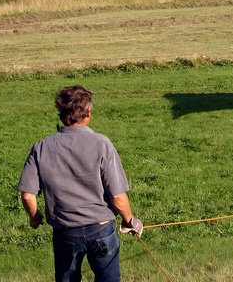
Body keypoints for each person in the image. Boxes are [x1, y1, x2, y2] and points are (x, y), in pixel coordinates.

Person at [18, 85, 143, 282]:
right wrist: (130, 221)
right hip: (101, 229)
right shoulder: (102, 143)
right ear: (88, 112)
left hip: (65, 233)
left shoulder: (41, 147)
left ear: (61, 113)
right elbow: (117, 196)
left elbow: (27, 194)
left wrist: (34, 218)